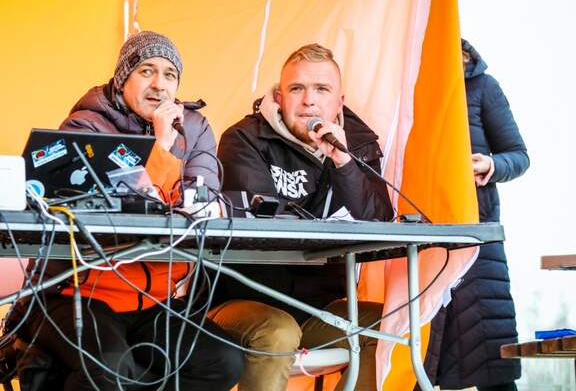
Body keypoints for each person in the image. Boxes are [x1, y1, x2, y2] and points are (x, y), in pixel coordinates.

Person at [10, 31, 243, 390]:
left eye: (169, 75)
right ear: (122, 79)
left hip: (153, 300)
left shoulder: (194, 128)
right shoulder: (86, 126)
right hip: (75, 294)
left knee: (223, 361)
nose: (159, 84)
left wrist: (187, 194)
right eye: (146, 71)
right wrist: (161, 146)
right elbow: (116, 210)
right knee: (112, 370)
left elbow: (202, 200)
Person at [210, 43, 394, 390]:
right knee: (279, 331)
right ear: (280, 98)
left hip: (316, 308)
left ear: (339, 102)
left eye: (321, 89)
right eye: (297, 89)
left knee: (390, 325)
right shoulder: (244, 139)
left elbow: (379, 221)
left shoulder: (357, 144)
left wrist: (343, 164)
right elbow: (261, 221)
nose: (309, 101)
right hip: (243, 301)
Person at [422, 39, 529, 391]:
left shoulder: (484, 87)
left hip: (477, 238)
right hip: (417, 236)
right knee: (415, 362)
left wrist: (491, 165)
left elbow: (518, 155)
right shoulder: (408, 82)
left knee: (490, 361)